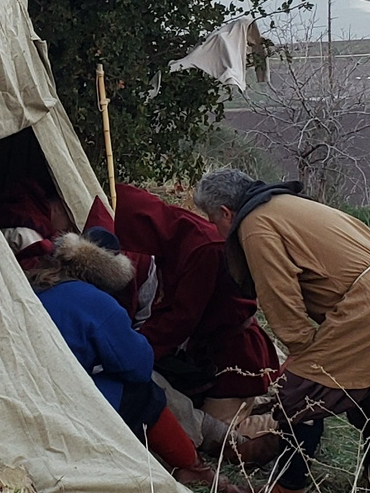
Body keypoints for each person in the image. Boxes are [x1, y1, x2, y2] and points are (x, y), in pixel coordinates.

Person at [194, 168, 370, 493]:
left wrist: (302, 352)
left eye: (212, 220)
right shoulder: (287, 203)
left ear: (225, 212)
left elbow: (279, 296)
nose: (215, 229)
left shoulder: (255, 225)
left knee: (301, 396)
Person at [6, 227, 237, 493]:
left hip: (19, 390)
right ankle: (193, 467)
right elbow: (136, 366)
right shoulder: (95, 302)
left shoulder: (33, 286)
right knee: (141, 394)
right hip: (58, 400)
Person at [107, 184, 281, 446]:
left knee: (223, 435)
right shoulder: (173, 237)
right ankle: (260, 400)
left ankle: (284, 419)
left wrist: (133, 349)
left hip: (234, 358)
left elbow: (181, 320)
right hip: (207, 352)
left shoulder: (201, 247)